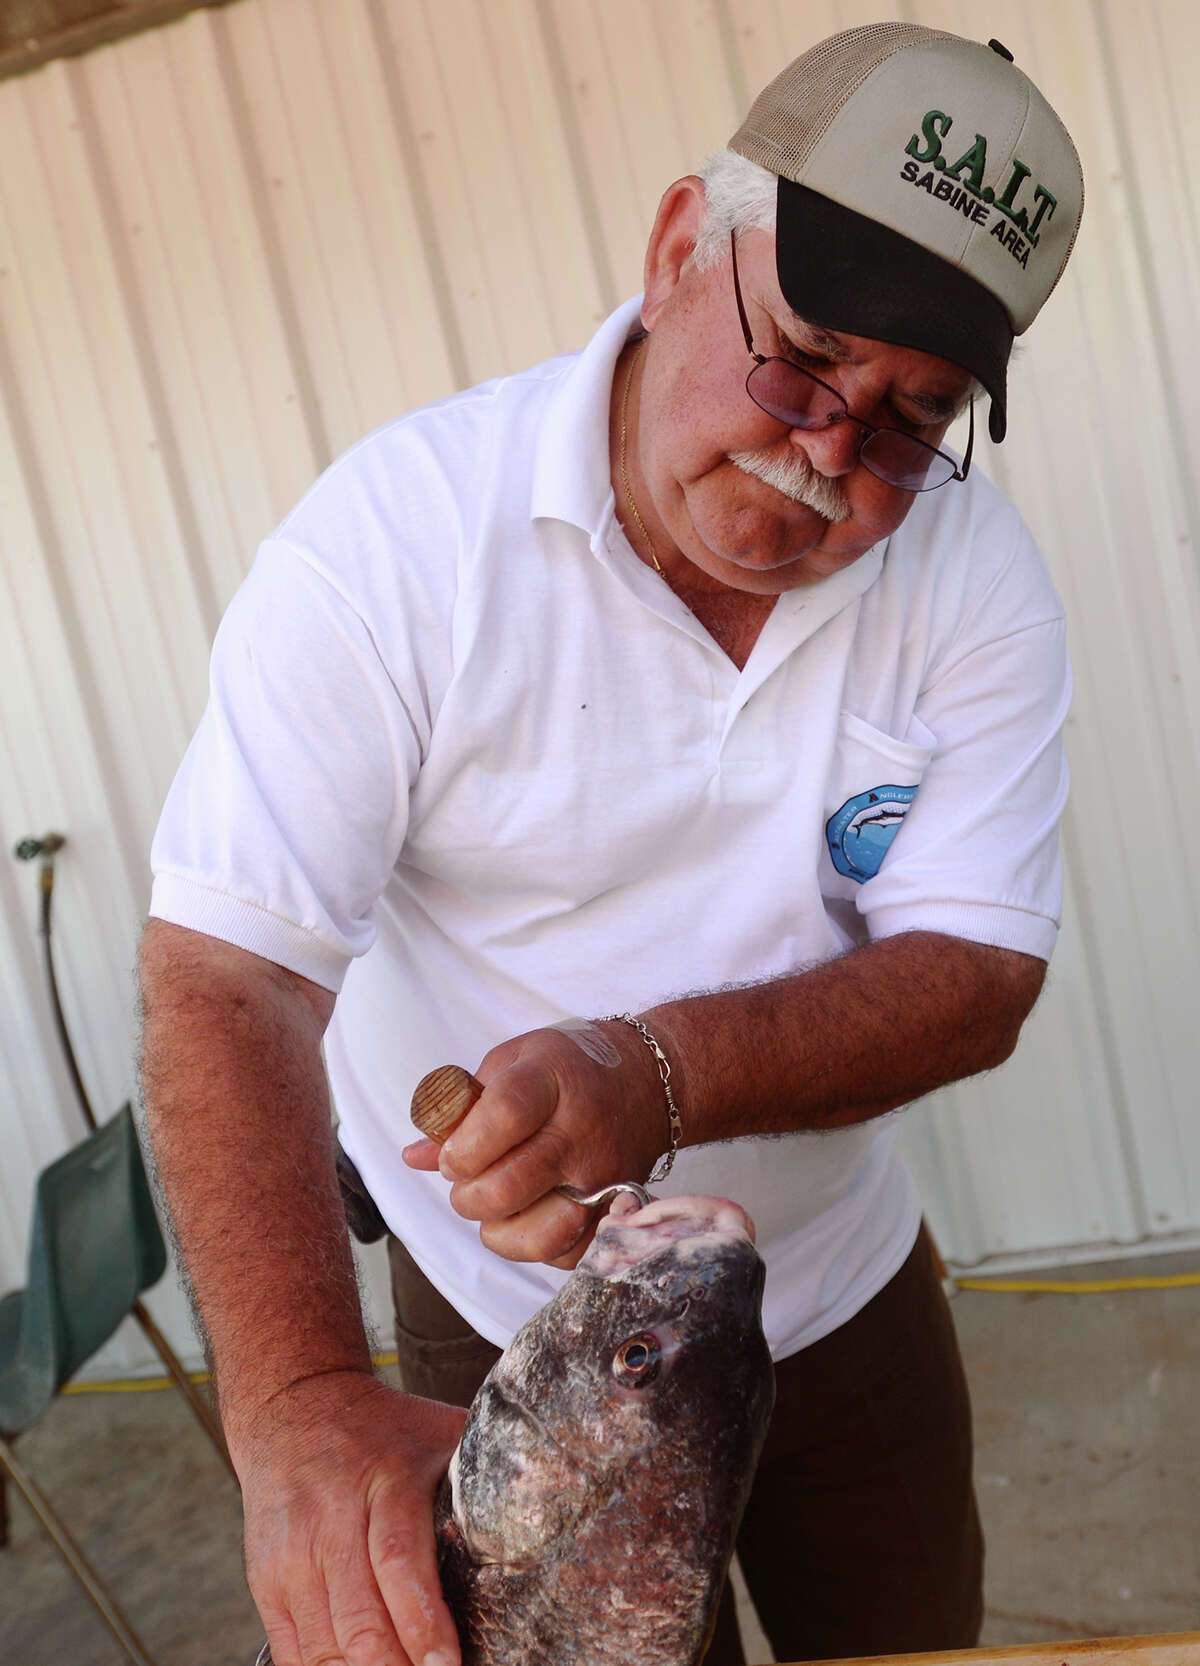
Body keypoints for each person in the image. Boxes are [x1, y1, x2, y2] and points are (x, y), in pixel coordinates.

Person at [138, 21, 1084, 1666]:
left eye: (915, 415)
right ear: (675, 251)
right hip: (511, 1321)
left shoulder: (970, 575)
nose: (830, 449)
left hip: (839, 1281)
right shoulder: (396, 546)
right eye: (801, 354)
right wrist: (295, 1407)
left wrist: (651, 1070)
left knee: (914, 1638)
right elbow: (230, 974)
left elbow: (979, 969)